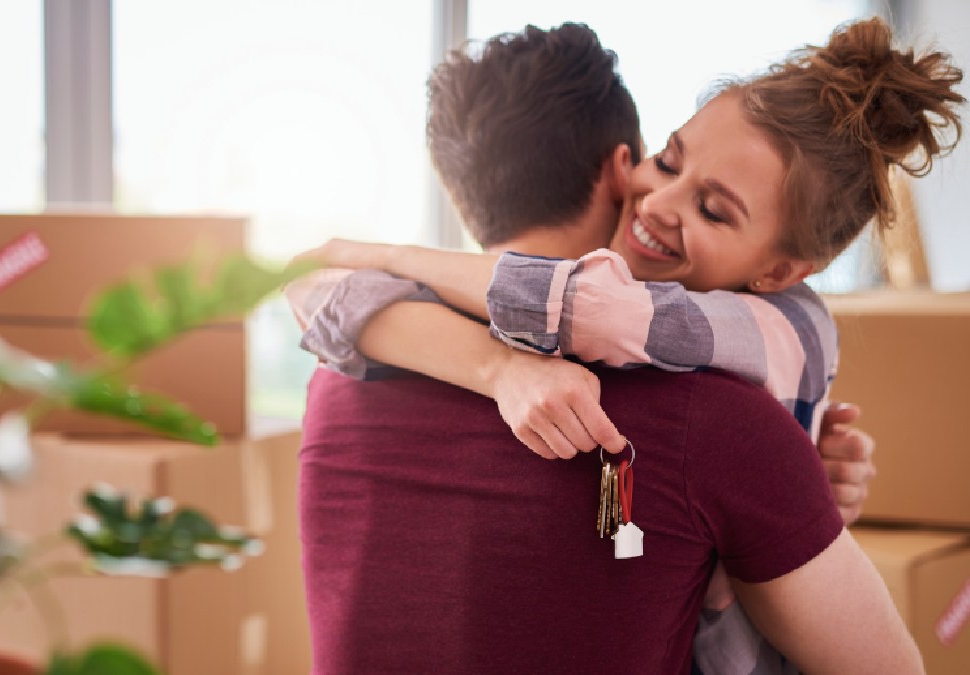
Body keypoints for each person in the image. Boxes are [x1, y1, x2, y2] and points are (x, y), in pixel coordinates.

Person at [294, 18, 959, 674]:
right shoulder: (722, 423)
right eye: (665, 161)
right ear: (623, 166)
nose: (660, 200)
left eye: (715, 209)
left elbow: (587, 307)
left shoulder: (341, 374)